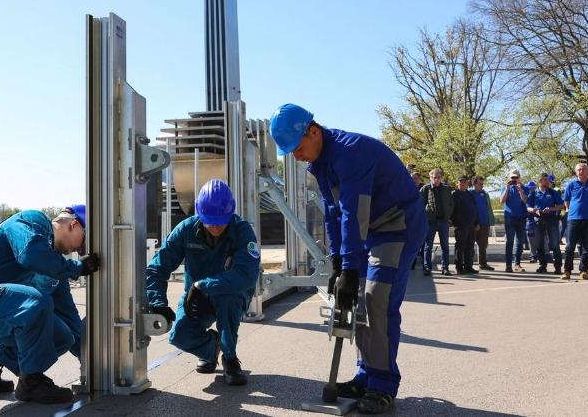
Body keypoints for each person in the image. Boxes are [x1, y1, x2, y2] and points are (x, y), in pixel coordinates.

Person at [269, 104, 427, 414]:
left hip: (398, 226)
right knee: (356, 299)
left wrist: (352, 267)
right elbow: (334, 214)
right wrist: (340, 263)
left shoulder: (351, 153)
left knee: (376, 300)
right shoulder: (321, 164)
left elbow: (354, 212)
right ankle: (366, 375)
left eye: (297, 148)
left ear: (313, 131)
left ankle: (382, 385)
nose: (296, 156)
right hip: (371, 231)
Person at [0, 206, 99, 404]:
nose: (80, 250)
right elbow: (31, 255)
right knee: (36, 302)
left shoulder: (55, 269)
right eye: (84, 241)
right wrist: (79, 268)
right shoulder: (32, 221)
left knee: (62, 336)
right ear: (74, 225)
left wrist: (93, 366)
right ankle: (31, 383)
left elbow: (72, 322)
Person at [146, 179, 259, 386]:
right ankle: (211, 348)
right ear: (199, 212)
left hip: (230, 293)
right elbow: (157, 268)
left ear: (231, 213)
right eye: (209, 221)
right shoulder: (185, 230)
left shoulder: (242, 231)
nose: (215, 227)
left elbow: (246, 275)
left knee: (228, 302)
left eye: (221, 221)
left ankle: (230, 358)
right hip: (195, 298)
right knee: (179, 336)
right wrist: (158, 303)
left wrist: (203, 286)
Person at [562, 163, 588, 281]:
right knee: (570, 246)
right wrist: (570, 210)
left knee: (587, 247)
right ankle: (567, 271)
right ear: (576, 172)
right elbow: (567, 200)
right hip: (573, 219)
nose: (581, 171)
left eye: (583, 169)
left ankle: (583, 270)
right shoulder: (571, 185)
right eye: (579, 169)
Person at [526, 173, 564, 274]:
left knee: (555, 244)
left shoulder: (553, 192)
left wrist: (551, 208)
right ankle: (542, 266)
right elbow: (528, 207)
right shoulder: (533, 193)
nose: (547, 182)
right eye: (545, 180)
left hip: (552, 220)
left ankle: (558, 267)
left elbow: (561, 205)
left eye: (548, 180)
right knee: (539, 245)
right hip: (538, 220)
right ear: (540, 181)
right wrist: (534, 210)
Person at [421, 168, 454, 276]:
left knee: (445, 246)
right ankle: (427, 268)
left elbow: (451, 204)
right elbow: (419, 204)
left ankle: (445, 268)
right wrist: (425, 215)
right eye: (434, 177)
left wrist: (448, 216)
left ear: (441, 178)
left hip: (443, 221)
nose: (436, 179)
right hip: (430, 222)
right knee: (428, 246)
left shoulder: (446, 189)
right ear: (430, 178)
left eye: (438, 177)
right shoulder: (425, 189)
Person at [500, 169, 528, 272]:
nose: (514, 179)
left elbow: (525, 200)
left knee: (520, 242)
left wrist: (520, 190)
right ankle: (508, 265)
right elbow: (501, 201)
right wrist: (507, 188)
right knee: (510, 241)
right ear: (509, 178)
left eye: (516, 177)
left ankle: (517, 264)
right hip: (510, 218)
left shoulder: (524, 188)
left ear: (519, 178)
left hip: (521, 218)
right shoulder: (505, 187)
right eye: (512, 178)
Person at [451, 175, 479, 274]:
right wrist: (455, 221)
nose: (463, 184)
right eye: (461, 182)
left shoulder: (470, 195)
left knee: (470, 246)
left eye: (464, 182)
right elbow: (451, 210)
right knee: (460, 247)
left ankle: (468, 266)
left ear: (467, 184)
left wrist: (476, 222)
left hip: (471, 225)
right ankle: (459, 267)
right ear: (457, 183)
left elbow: (475, 210)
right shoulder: (454, 194)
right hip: (460, 225)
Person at [471, 176, 495, 271]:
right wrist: (474, 222)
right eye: (480, 184)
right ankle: (469, 265)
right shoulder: (470, 193)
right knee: (470, 244)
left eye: (483, 183)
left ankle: (483, 264)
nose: (482, 185)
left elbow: (488, 208)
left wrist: (491, 221)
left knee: (483, 245)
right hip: (474, 223)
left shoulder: (484, 194)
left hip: (485, 223)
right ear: (474, 184)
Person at [524, 181, 538, 263]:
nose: (532, 189)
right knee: (531, 240)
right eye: (530, 188)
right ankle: (533, 256)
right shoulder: (527, 196)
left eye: (533, 187)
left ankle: (541, 255)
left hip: (538, 220)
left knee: (540, 239)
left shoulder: (537, 195)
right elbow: (527, 207)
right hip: (530, 221)